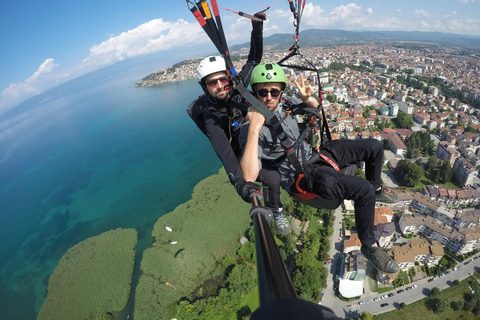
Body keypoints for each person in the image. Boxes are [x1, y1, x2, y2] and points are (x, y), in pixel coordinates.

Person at [239, 62, 399, 273]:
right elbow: (248, 176)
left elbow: (315, 110)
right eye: (263, 92)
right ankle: (370, 245)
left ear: (281, 92)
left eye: (274, 91)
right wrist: (254, 129)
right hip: (304, 175)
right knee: (362, 190)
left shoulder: (285, 103)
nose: (269, 97)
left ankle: (377, 189)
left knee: (374, 147)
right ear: (254, 93)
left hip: (317, 154)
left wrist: (307, 99)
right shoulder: (249, 128)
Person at [186, 14, 291, 234]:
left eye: (222, 78)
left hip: (254, 135)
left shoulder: (238, 87)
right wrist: (241, 184)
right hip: (241, 149)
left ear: (228, 77)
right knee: (271, 179)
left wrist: (257, 28)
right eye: (212, 82)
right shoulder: (211, 117)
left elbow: (253, 60)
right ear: (205, 87)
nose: (220, 85)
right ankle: (276, 209)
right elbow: (225, 154)